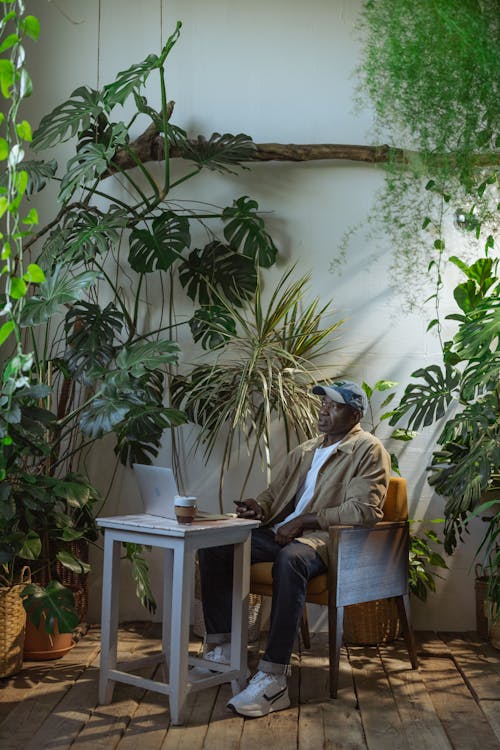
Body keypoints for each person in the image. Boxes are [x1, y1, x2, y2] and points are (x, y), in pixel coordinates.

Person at [197, 380, 391, 718]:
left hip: (324, 541)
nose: (324, 409)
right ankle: (225, 647)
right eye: (323, 403)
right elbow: (274, 496)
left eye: (334, 405)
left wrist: (305, 521)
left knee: (291, 560)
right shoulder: (306, 450)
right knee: (215, 545)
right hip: (281, 533)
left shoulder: (368, 450)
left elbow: (365, 511)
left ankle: (273, 677)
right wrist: (258, 508)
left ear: (355, 414)